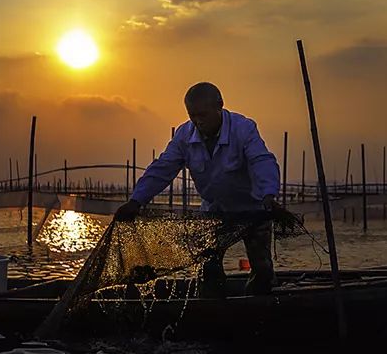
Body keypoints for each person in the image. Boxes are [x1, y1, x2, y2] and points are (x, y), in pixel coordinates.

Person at [115, 82, 281, 296]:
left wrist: (268, 195)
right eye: (192, 115)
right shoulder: (185, 135)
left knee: (262, 269)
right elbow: (163, 168)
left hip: (253, 209)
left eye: (203, 114)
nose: (198, 121)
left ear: (219, 106)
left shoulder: (243, 128)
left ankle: (259, 305)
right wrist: (136, 201)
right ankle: (214, 311)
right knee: (208, 268)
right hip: (214, 211)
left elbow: (262, 161)